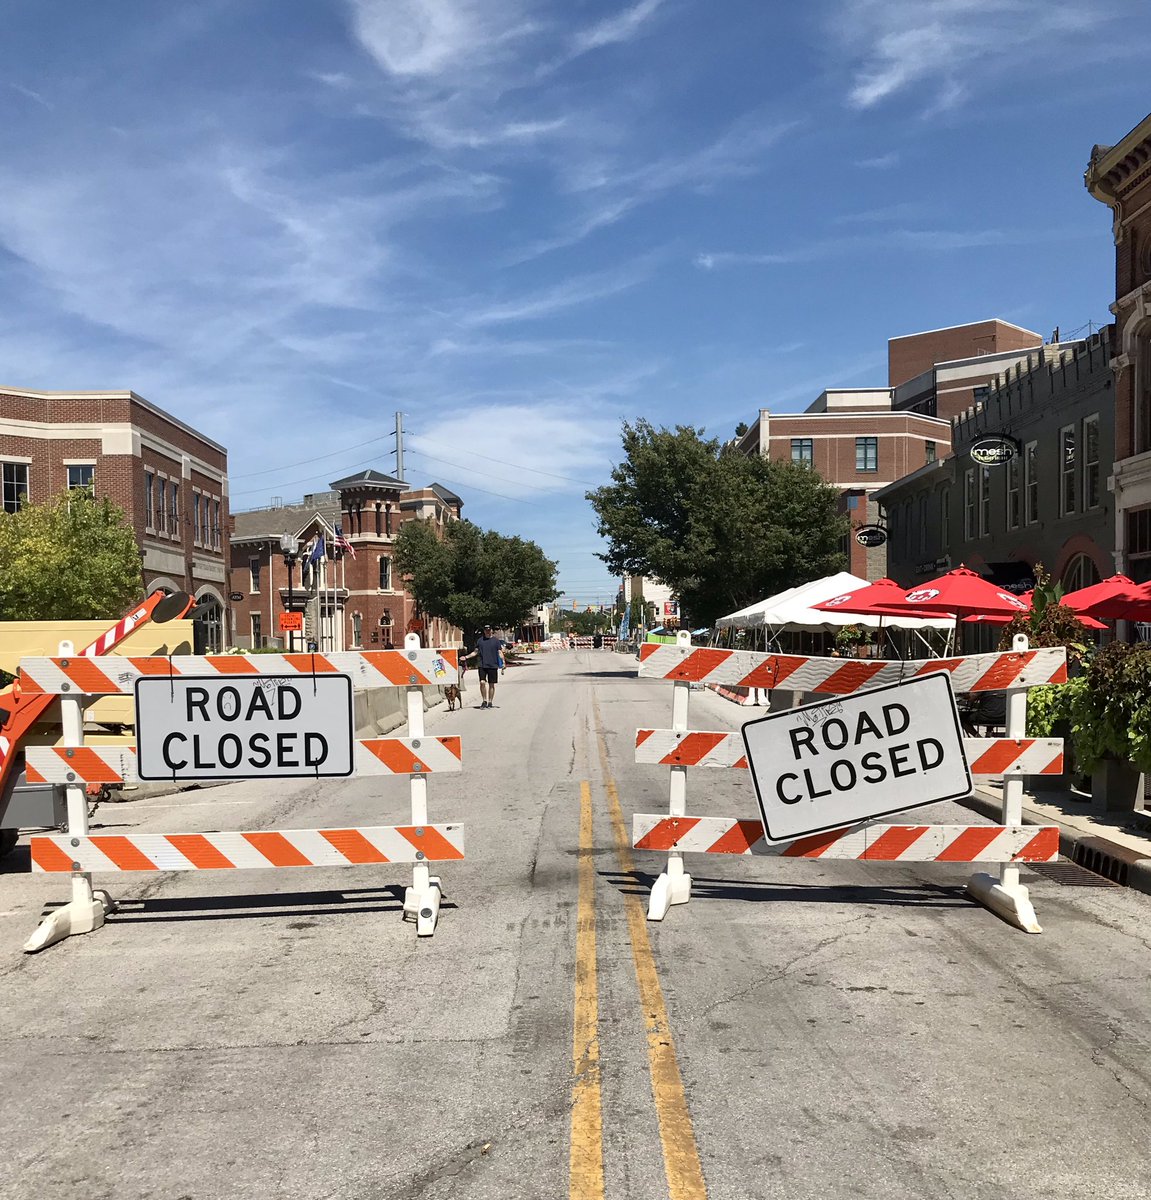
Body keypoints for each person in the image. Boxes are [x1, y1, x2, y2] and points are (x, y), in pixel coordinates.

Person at [463, 624, 506, 708]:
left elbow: (500, 652)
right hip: (482, 664)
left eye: (489, 630)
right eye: (486, 630)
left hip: (493, 664)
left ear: (491, 631)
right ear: (484, 631)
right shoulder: (480, 641)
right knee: (482, 682)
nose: (488, 631)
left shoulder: (496, 641)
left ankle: (490, 701)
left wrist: (503, 662)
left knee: (491, 684)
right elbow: (475, 652)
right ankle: (484, 700)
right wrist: (466, 657)